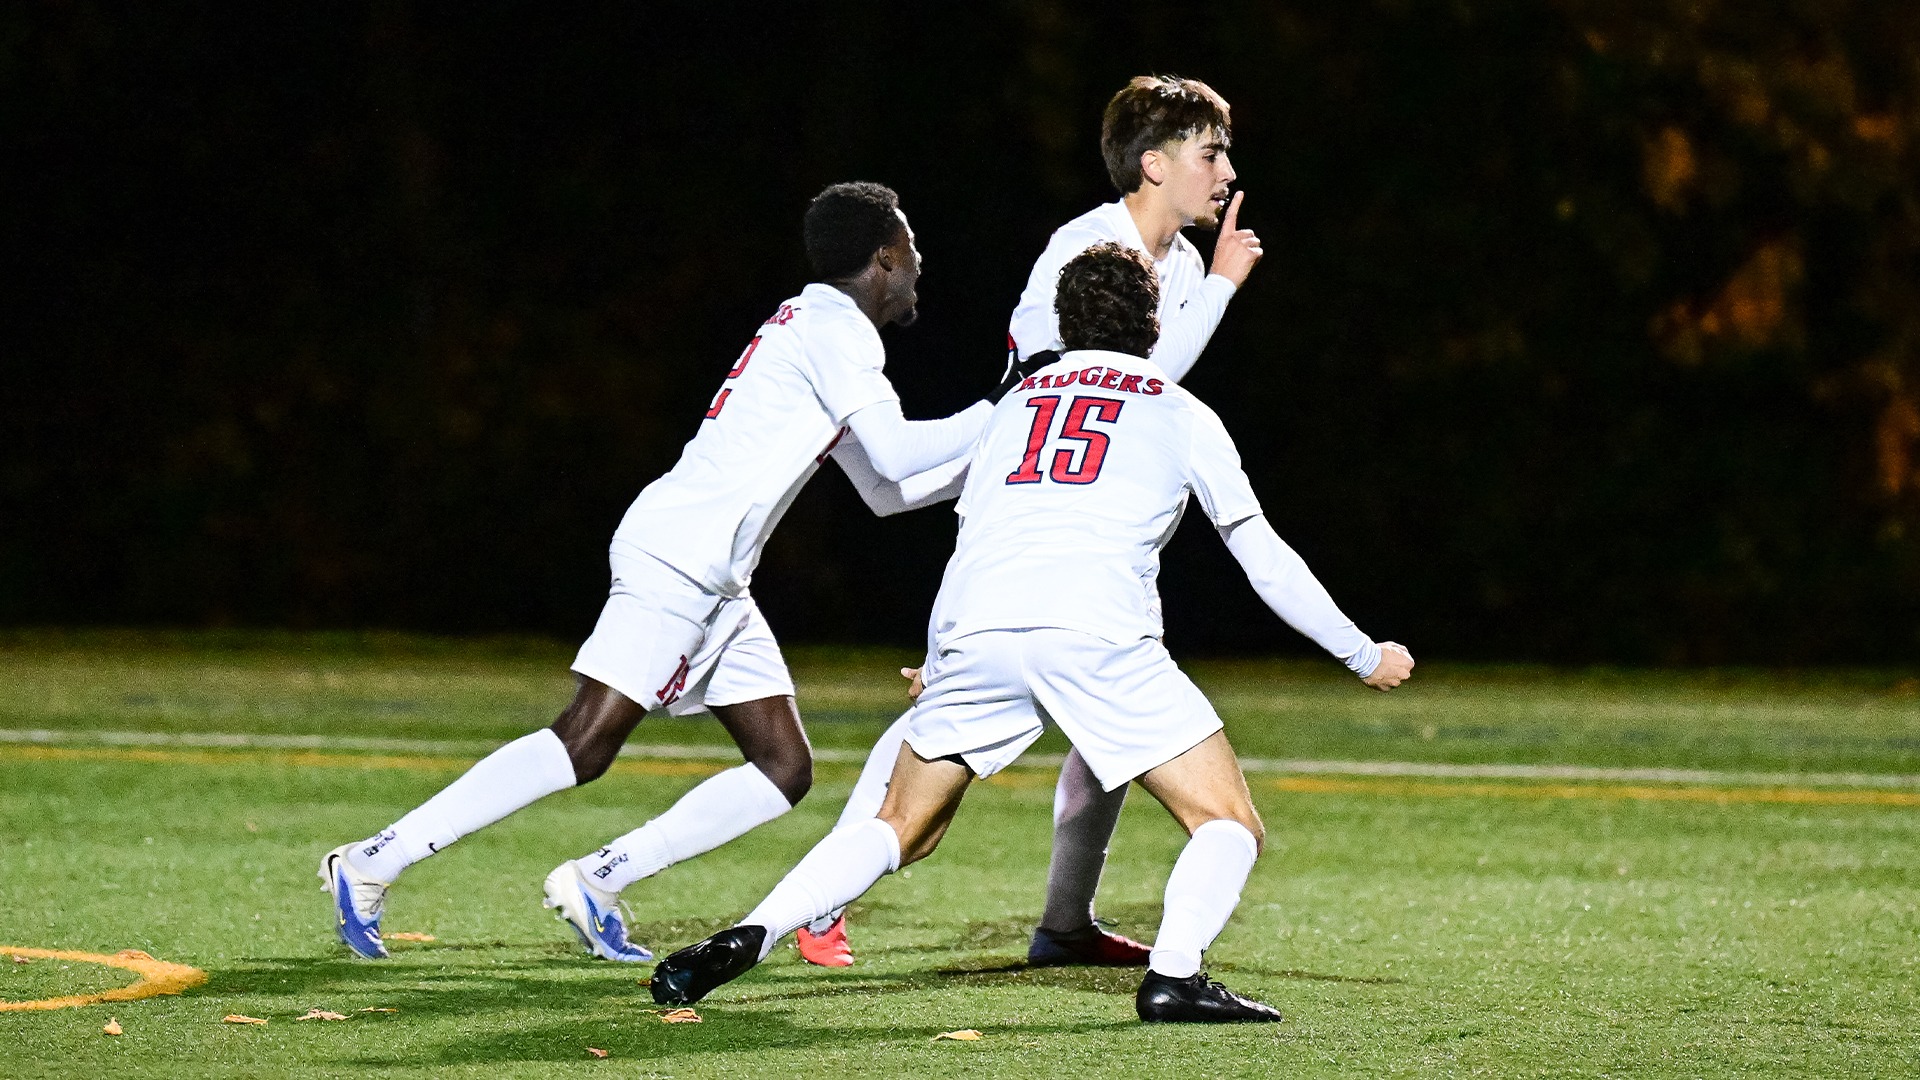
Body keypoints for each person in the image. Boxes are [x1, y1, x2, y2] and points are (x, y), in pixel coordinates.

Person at [651, 241, 1414, 1022]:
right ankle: (1175, 977)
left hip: (978, 626)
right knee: (1226, 822)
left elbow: (977, 532)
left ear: (1062, 321)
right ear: (1152, 324)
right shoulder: (1180, 410)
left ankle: (754, 929)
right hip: (1095, 633)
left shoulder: (1015, 405)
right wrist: (1364, 652)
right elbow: (1266, 562)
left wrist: (937, 656)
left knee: (899, 827)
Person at [320, 182, 1030, 962]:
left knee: (782, 768)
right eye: (913, 251)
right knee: (582, 744)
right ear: (885, 257)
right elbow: (899, 454)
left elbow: (887, 492)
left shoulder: (822, 329)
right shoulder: (838, 333)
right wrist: (1003, 406)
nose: (921, 267)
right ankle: (370, 861)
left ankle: (600, 877)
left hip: (715, 573)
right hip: (680, 557)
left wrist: (1002, 456)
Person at [798, 73, 1264, 969]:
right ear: (1155, 165)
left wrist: (1208, 283)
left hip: (1065, 474)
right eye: (1212, 154)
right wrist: (1222, 288)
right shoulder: (1085, 246)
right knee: (952, 690)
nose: (1227, 171)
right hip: (1019, 466)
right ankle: (831, 892)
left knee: (1109, 727)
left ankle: (1063, 924)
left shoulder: (1170, 261)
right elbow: (1115, 383)